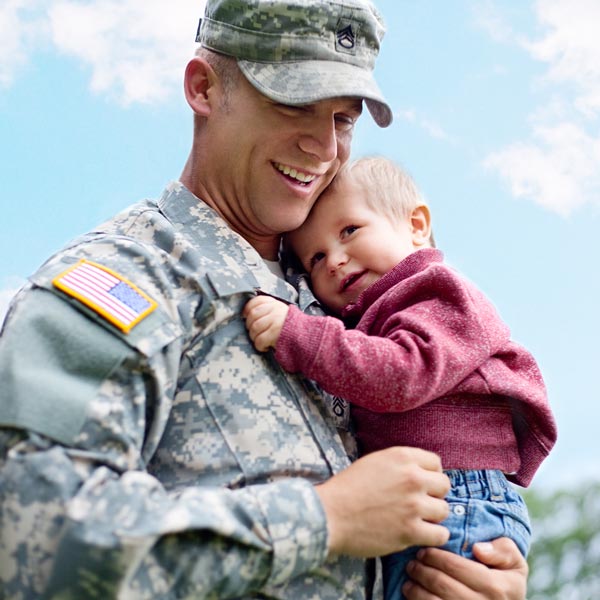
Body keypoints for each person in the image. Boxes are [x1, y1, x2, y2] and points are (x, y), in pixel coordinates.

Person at [0, 1, 528, 598]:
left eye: (344, 119)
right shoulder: (123, 279)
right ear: (203, 88)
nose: (323, 146)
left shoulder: (343, 298)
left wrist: (474, 567)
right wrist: (326, 519)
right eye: (295, 102)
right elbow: (30, 538)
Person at [244, 156, 557, 598]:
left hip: (457, 496)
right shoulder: (369, 314)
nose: (333, 260)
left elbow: (402, 375)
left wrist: (298, 333)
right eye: (314, 258)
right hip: (421, 499)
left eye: (349, 231)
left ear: (416, 225)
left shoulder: (436, 292)